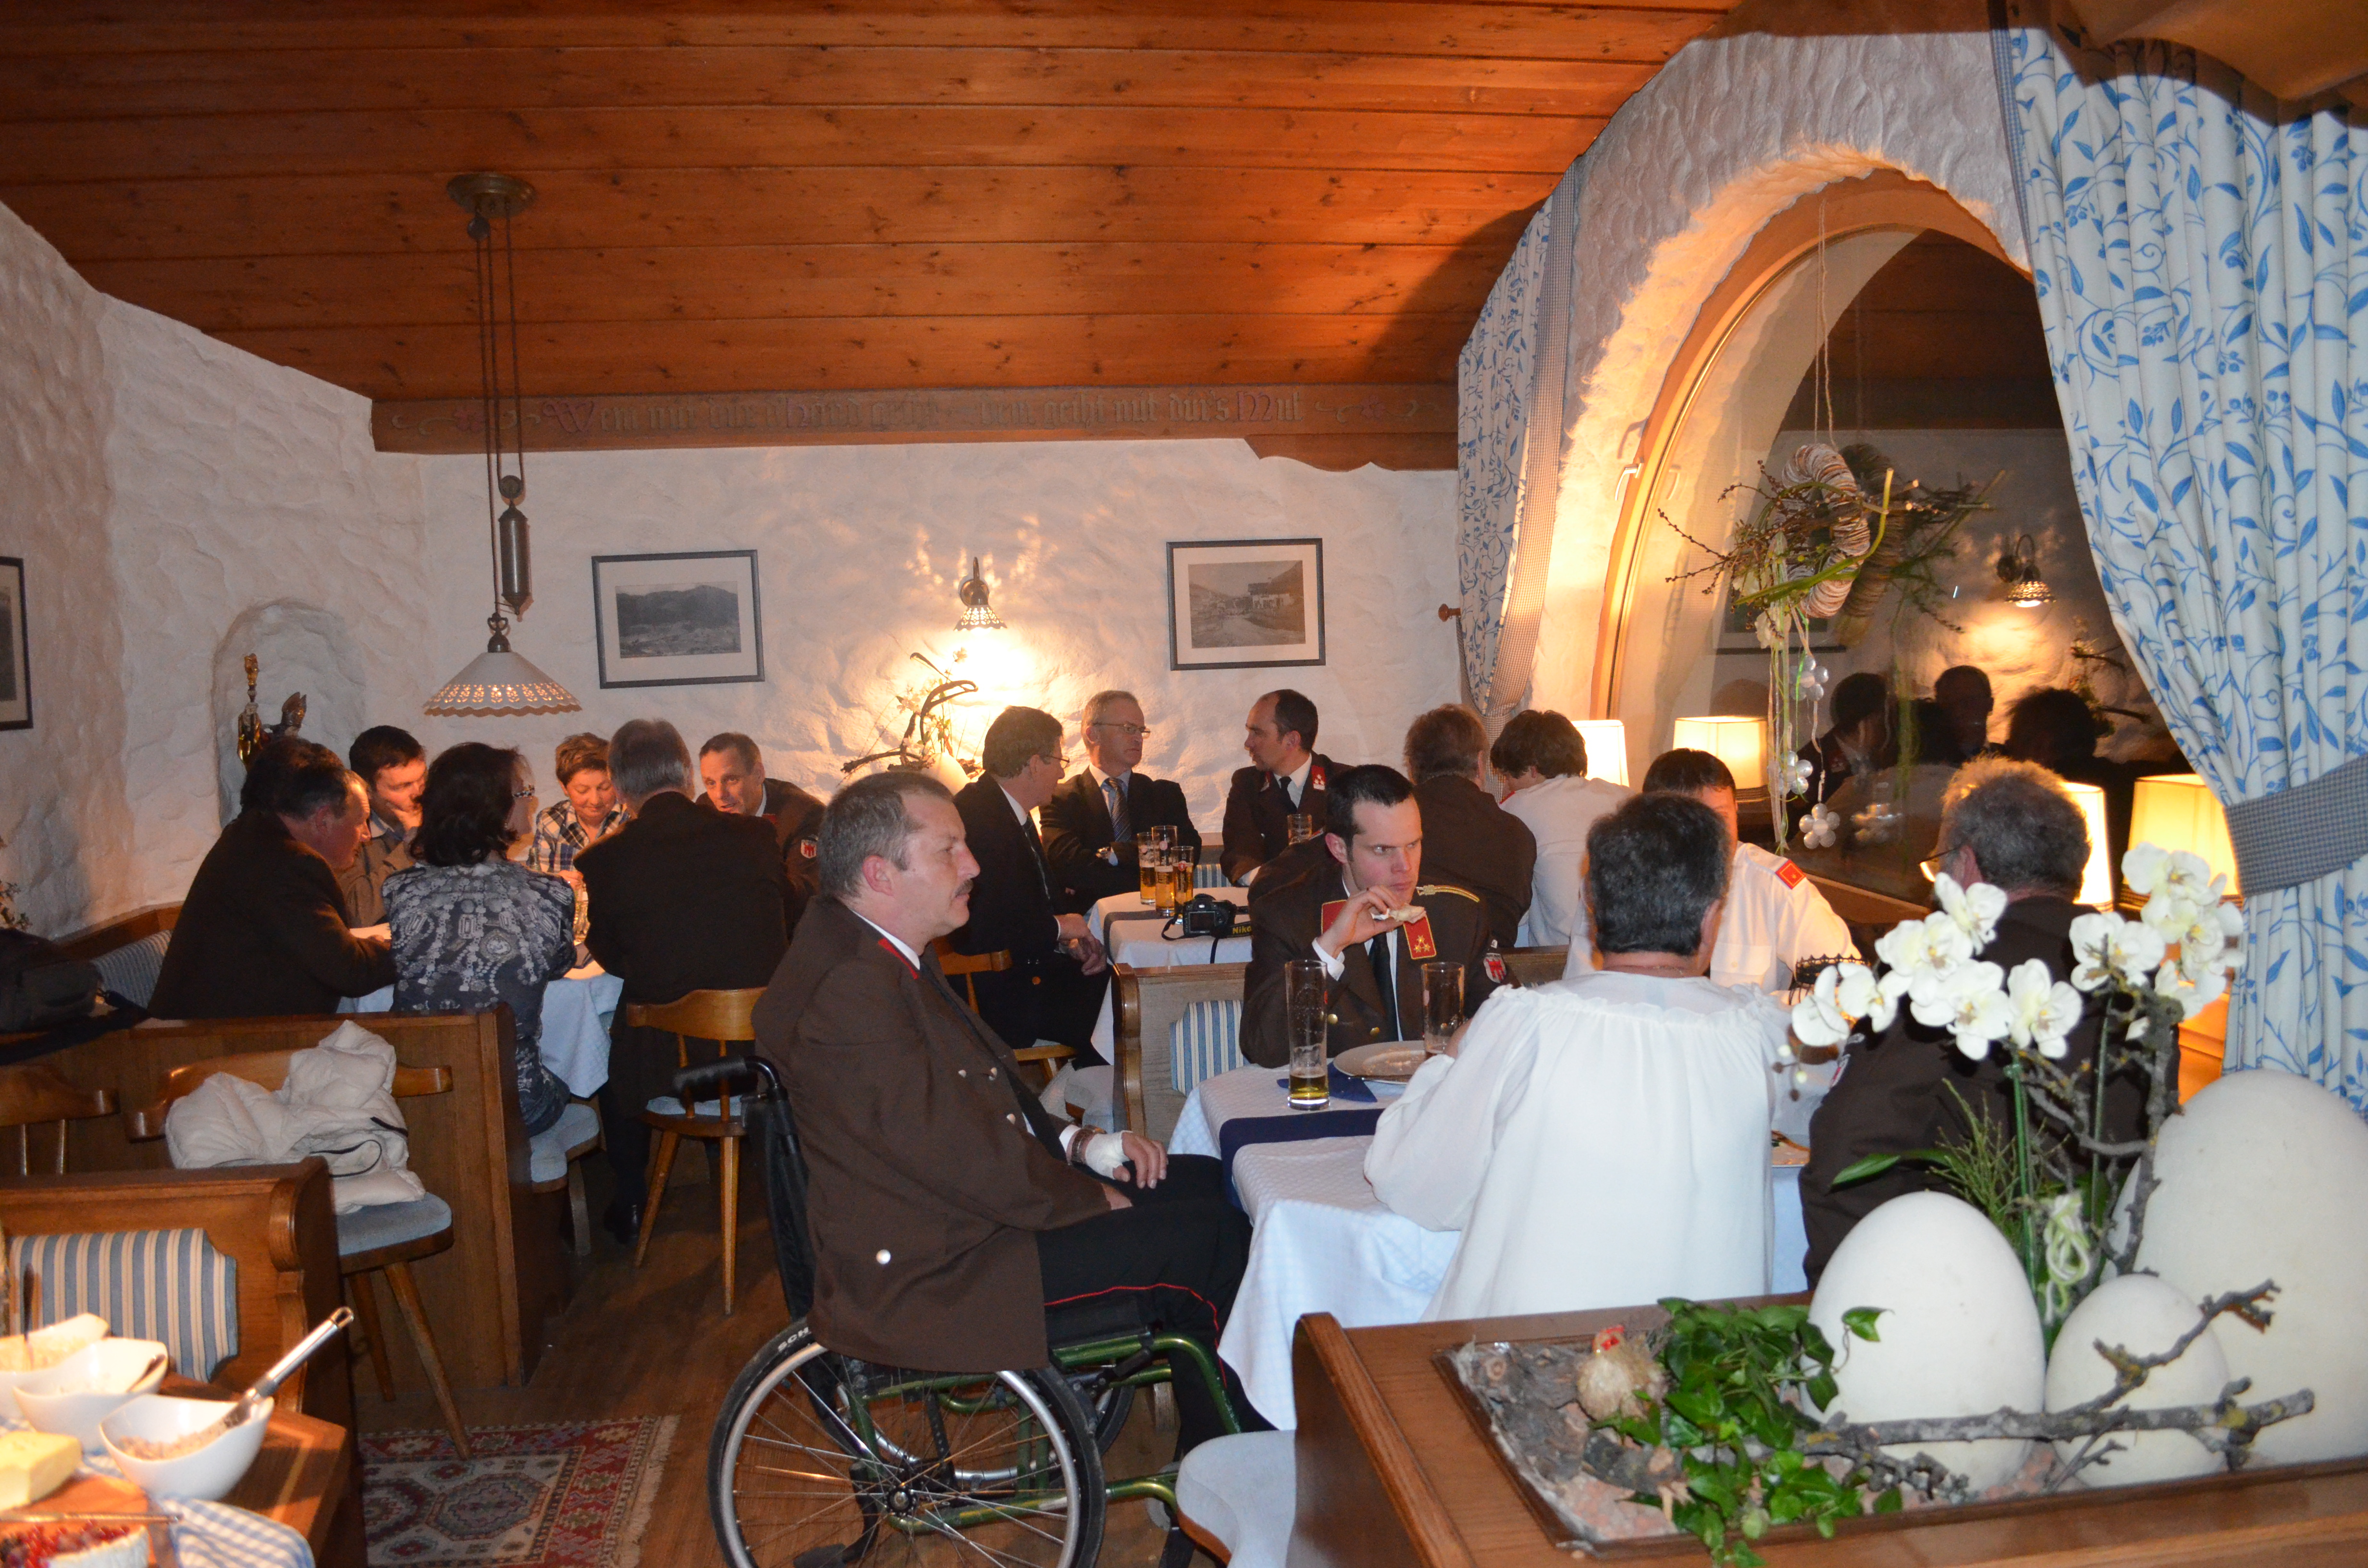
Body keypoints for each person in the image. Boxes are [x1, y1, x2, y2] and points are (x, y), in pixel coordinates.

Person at [752, 771, 1252, 1462]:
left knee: (1209, 1184)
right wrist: (1081, 1200)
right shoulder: (853, 986)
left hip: (959, 1221)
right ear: (879, 874)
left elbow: (981, 1094)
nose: (973, 865)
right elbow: (946, 1151)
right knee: (1214, 1240)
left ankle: (1217, 1451)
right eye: (948, 850)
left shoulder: (873, 950)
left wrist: (1083, 1145)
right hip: (944, 1269)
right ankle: (1223, 1473)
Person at [1366, 793, 1789, 1320]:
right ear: (1711, 917)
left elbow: (1413, 1185)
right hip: (1705, 1363)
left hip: (1526, 1357)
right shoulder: (1760, 1034)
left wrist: (1452, 1055)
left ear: (1589, 903)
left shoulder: (1523, 1026)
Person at [1801, 758, 2146, 1282]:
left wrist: (1850, 1295)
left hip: (1970, 1282)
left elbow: (1849, 1151)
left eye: (1938, 861)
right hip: (2107, 1278)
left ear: (1965, 864)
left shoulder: (1940, 972)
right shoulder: (2133, 976)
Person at [576, 719, 789, 1243]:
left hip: (671, 1072)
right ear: (687, 773)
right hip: (760, 1059)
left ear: (618, 787)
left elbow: (613, 957)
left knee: (618, 1030)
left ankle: (630, 1197)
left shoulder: (604, 860)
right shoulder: (755, 836)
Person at [1240, 764, 1495, 1066]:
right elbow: (1264, 1047)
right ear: (1339, 848)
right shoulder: (1289, 915)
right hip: (1339, 1094)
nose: (1405, 867)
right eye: (1382, 850)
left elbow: (1509, 1017)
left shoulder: (1457, 914)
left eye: (1413, 845)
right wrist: (1330, 947)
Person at [383, 743, 574, 1136]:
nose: (531, 802)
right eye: (523, 793)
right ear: (496, 809)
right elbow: (559, 965)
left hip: (419, 1093)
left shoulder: (400, 890)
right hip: (514, 1103)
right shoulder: (550, 894)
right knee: (571, 1079)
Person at [1567, 749, 1856, 996]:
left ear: (1737, 809)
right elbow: (1583, 987)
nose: (1710, 838)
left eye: (1720, 818)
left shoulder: (1772, 885)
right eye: (1691, 824)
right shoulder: (1617, 880)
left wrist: (1765, 1015)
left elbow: (1847, 985)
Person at [151, 737, 395, 1018]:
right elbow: (351, 972)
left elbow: (326, 952)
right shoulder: (288, 865)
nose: (366, 836)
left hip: (217, 1028)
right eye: (360, 822)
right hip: (216, 1037)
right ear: (323, 820)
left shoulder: (251, 837)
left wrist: (370, 949)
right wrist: (416, 948)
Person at [949, 707, 1110, 1063]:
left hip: (1027, 973)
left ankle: (1086, 1087)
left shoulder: (1002, 809)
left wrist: (1068, 941)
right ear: (1035, 764)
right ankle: (1096, 1091)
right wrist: (1060, 927)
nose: (1062, 773)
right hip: (1003, 992)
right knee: (1128, 1007)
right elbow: (981, 928)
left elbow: (1029, 906)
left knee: (1124, 985)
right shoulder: (977, 820)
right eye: (1059, 760)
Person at [1039, 689, 1203, 906]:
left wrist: (1114, 854)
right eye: (1128, 728)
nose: (1138, 738)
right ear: (1093, 735)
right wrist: (1146, 867)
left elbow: (1188, 852)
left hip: (1160, 912)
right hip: (1091, 918)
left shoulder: (1165, 794)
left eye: (1141, 730)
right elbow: (1068, 867)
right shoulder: (1061, 798)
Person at [1491, 710, 1634, 948]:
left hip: (1558, 955)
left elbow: (1507, 903)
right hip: (1630, 946)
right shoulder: (1626, 798)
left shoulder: (1517, 807)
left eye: (1508, 777)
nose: (1507, 787)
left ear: (1533, 770)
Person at [1402, 704, 1535, 950]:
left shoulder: (1397, 826)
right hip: (1494, 965)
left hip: (1414, 960)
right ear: (1480, 763)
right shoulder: (1518, 833)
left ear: (1412, 767)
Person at [698, 732, 826, 932]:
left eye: (731, 780)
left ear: (758, 774)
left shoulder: (802, 815)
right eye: (710, 783)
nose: (720, 795)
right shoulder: (705, 808)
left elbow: (805, 898)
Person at [2004, 685, 2134, 870]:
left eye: (2013, 744)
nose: (2008, 756)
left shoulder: (2037, 801)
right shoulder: (2125, 783)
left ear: (2041, 746)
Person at [1220, 689, 1335, 885]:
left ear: (1291, 741)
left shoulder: (1343, 782)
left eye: (1257, 733)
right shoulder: (1247, 784)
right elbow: (1240, 853)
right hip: (1267, 897)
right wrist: (1269, 881)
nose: (1248, 743)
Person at [335, 725, 425, 927]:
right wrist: (410, 850)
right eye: (402, 786)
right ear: (368, 791)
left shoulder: (440, 814)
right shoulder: (351, 832)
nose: (418, 794)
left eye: (422, 780)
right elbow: (356, 914)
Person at [527, 732, 626, 880]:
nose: (595, 800)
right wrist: (558, 882)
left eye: (604, 788)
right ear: (564, 788)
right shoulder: (552, 821)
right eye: (582, 790)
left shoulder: (630, 819)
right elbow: (536, 880)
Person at [1798, 670, 1891, 808]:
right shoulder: (1811, 763)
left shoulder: (1886, 756)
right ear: (1870, 721)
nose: (1891, 724)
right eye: (1886, 716)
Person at [1933, 665, 1998, 759]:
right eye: (1949, 703)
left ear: (1989, 705)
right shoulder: (1928, 761)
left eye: (1969, 702)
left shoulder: (2012, 759)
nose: (1958, 711)